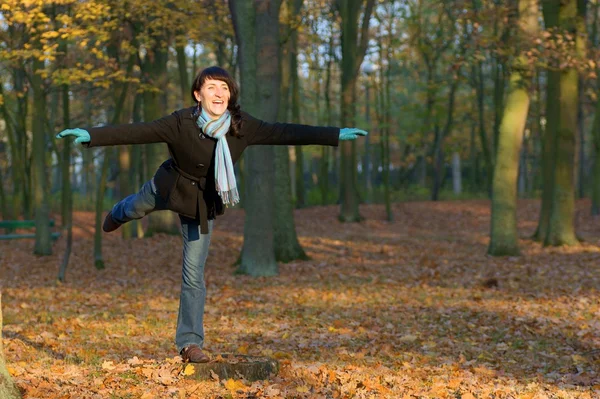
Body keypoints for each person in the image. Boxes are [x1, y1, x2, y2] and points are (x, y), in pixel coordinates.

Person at [57, 66, 367, 363]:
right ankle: (119, 211)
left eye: (224, 87)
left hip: (201, 205)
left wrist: (334, 134)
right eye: (211, 87)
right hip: (168, 186)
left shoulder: (242, 126)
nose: (219, 93)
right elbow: (138, 131)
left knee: (193, 275)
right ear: (198, 94)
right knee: (137, 205)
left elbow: (284, 131)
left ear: (230, 95)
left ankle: (190, 342)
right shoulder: (180, 123)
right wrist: (91, 134)